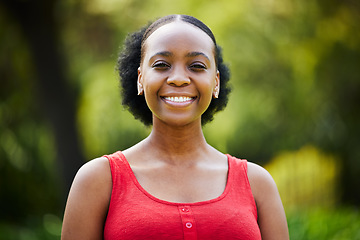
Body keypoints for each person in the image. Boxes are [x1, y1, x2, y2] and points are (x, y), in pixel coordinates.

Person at [61, 14, 289, 240]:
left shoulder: (257, 184)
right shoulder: (98, 181)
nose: (178, 78)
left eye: (197, 66)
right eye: (161, 65)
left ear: (216, 82)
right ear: (140, 79)